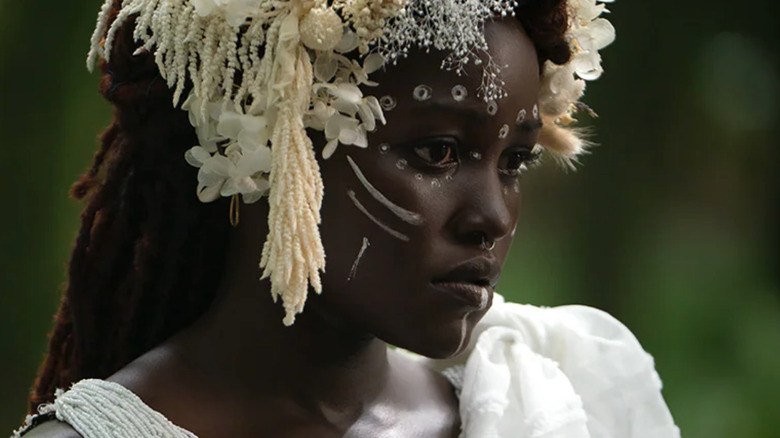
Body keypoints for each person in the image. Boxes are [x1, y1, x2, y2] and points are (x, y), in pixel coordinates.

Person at [12, 0, 680, 437]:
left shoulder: (540, 401)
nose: (491, 216)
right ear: (262, 143)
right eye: (438, 151)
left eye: (516, 162)